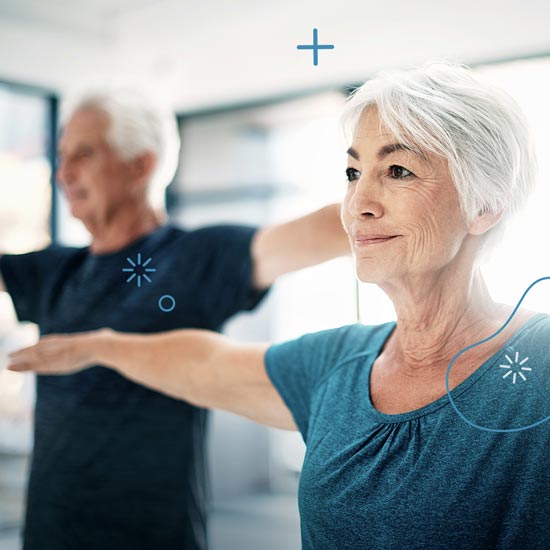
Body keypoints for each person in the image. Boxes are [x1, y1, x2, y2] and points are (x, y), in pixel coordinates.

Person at [7, 62, 550, 550]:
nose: (358, 202)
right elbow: (206, 363)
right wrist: (97, 345)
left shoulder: (538, 366)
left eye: (399, 170)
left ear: (487, 202)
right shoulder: (338, 363)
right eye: (352, 173)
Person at [0, 88, 350, 550]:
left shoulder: (191, 258)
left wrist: (409, 194)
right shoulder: (55, 270)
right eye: (61, 156)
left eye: (83, 154)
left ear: (141, 165)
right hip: (49, 534)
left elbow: (317, 232)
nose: (64, 173)